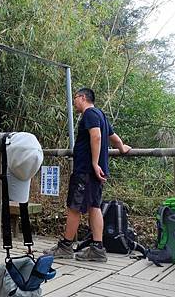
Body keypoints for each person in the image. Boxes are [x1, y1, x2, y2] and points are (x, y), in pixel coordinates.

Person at [44, 87, 131, 262]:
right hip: (96, 172)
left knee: (75, 207)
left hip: (86, 170)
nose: (74, 101)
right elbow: (113, 136)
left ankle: (66, 246)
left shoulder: (90, 114)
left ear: (83, 98)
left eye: (75, 98)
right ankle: (97, 249)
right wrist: (122, 148)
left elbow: (97, 137)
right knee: (94, 206)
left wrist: (94, 163)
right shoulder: (101, 115)